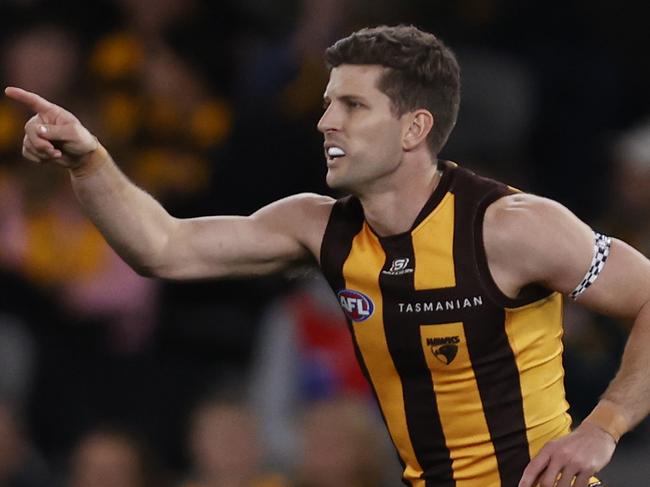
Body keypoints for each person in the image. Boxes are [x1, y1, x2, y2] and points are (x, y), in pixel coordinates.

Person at [5, 24, 650, 487]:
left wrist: (605, 426)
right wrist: (89, 161)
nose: (325, 122)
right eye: (326, 103)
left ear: (414, 128)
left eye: (352, 105)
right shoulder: (317, 228)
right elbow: (162, 248)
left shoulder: (510, 227)